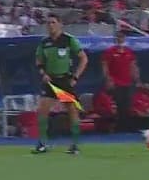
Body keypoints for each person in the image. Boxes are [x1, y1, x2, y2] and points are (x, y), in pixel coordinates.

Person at [33, 14, 88, 154]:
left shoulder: (69, 40)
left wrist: (75, 77)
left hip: (64, 80)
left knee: (72, 110)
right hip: (50, 81)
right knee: (42, 110)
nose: (50, 25)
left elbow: (83, 59)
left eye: (53, 22)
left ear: (60, 24)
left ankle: (75, 145)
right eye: (48, 23)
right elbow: (39, 61)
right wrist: (43, 73)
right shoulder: (44, 42)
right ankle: (42, 143)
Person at [101, 30, 140, 132]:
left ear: (124, 39)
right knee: (119, 104)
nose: (120, 39)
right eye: (118, 37)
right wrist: (108, 80)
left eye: (122, 37)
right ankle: (119, 126)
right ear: (115, 39)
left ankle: (127, 126)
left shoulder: (129, 52)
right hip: (116, 82)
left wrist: (137, 79)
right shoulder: (110, 51)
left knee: (128, 104)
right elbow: (105, 66)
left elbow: (133, 66)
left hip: (128, 82)